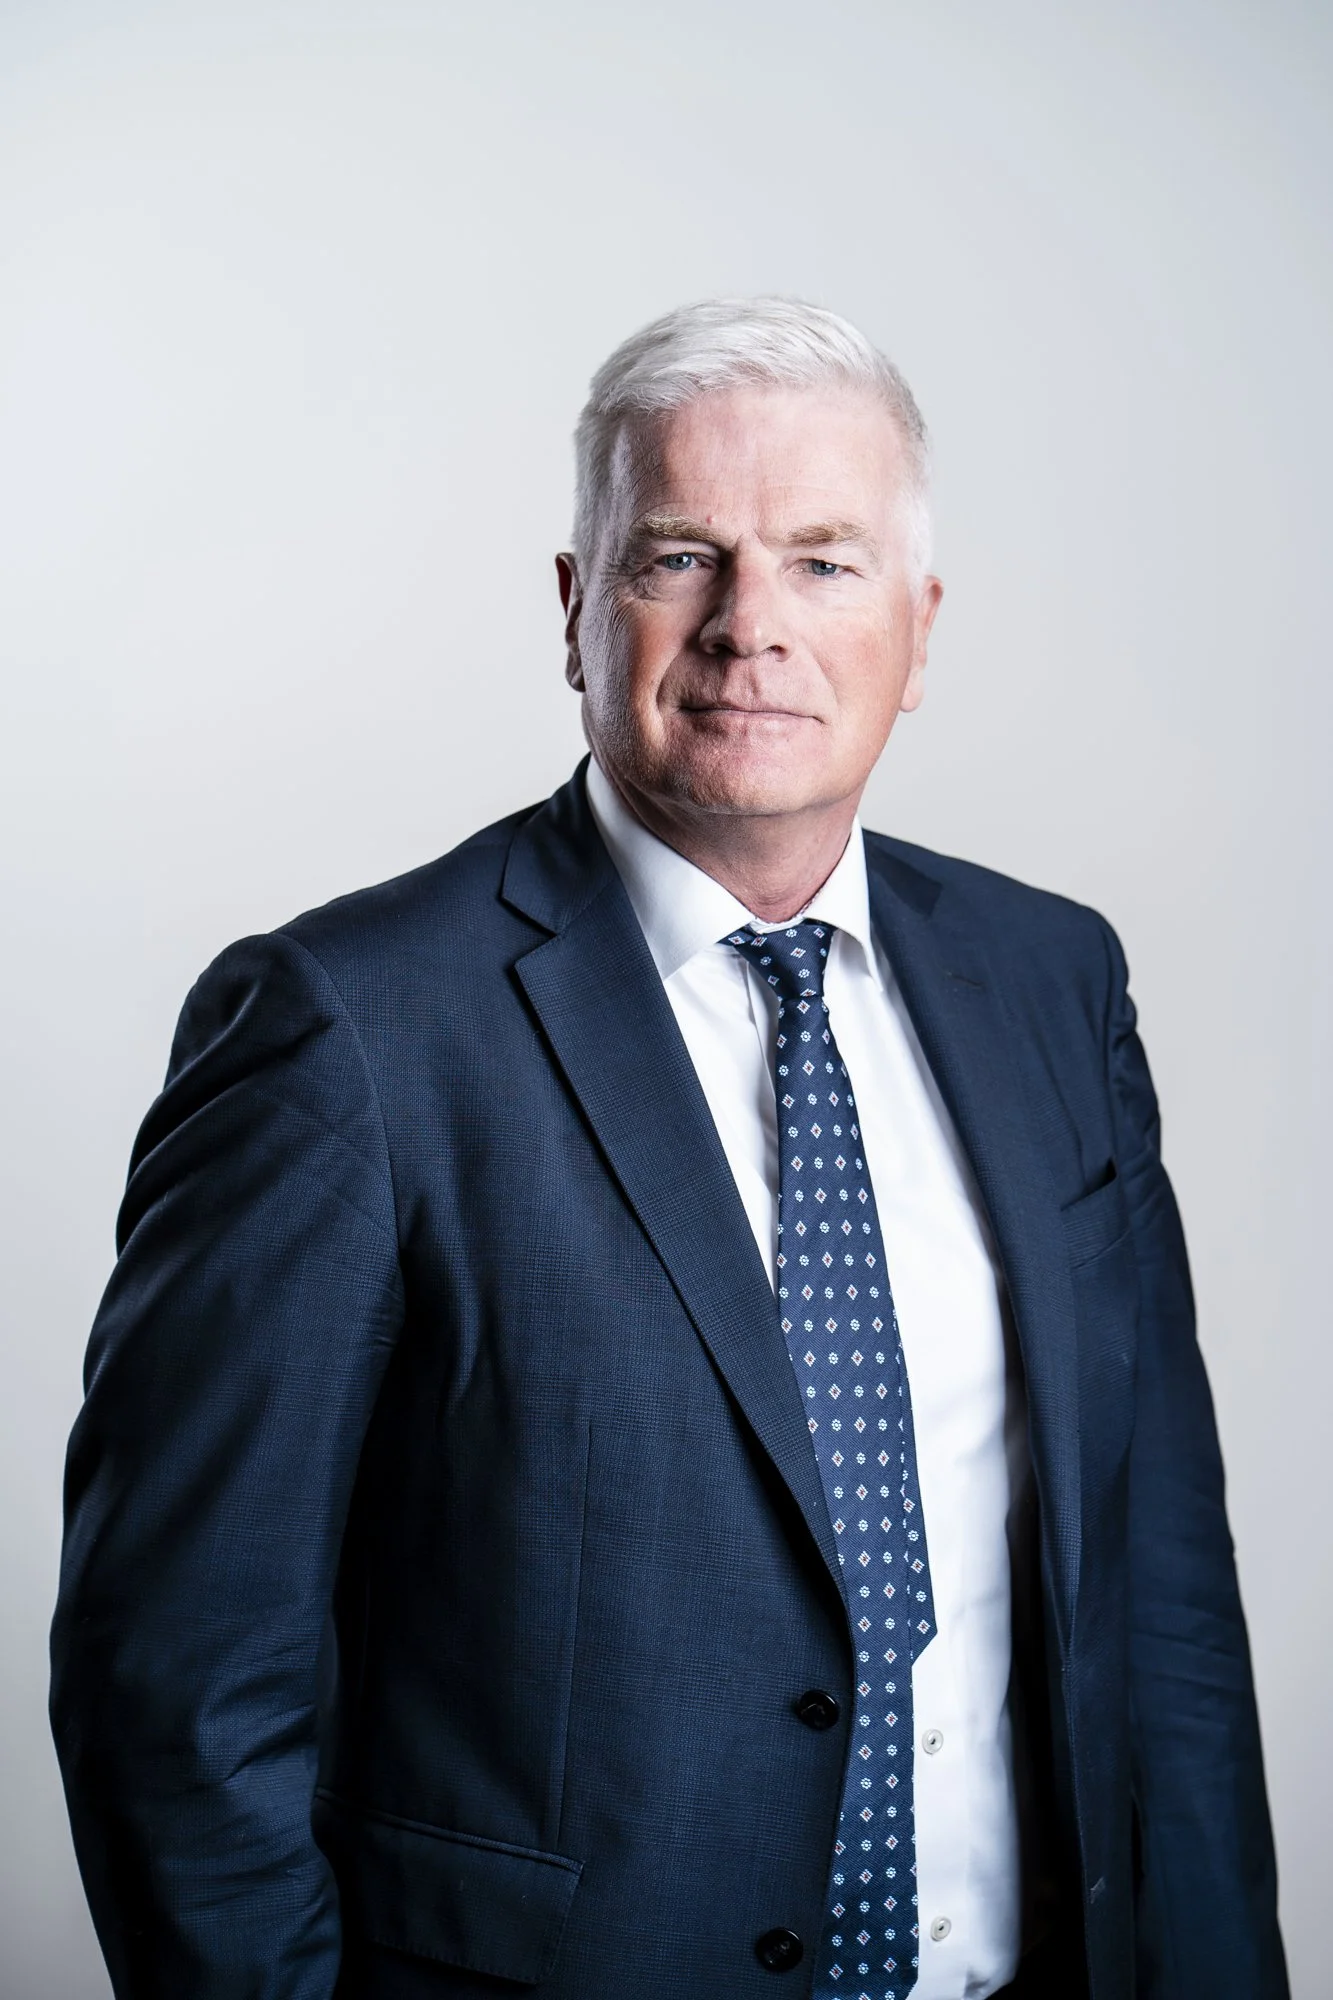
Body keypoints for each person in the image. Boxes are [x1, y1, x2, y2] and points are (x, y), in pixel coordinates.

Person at [51, 297, 1286, 2000]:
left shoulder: (1053, 983)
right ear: (577, 611)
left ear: (920, 630)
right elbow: (177, 1688)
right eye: (681, 557)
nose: (749, 627)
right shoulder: (348, 1034)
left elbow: (1163, 1600)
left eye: (826, 563)